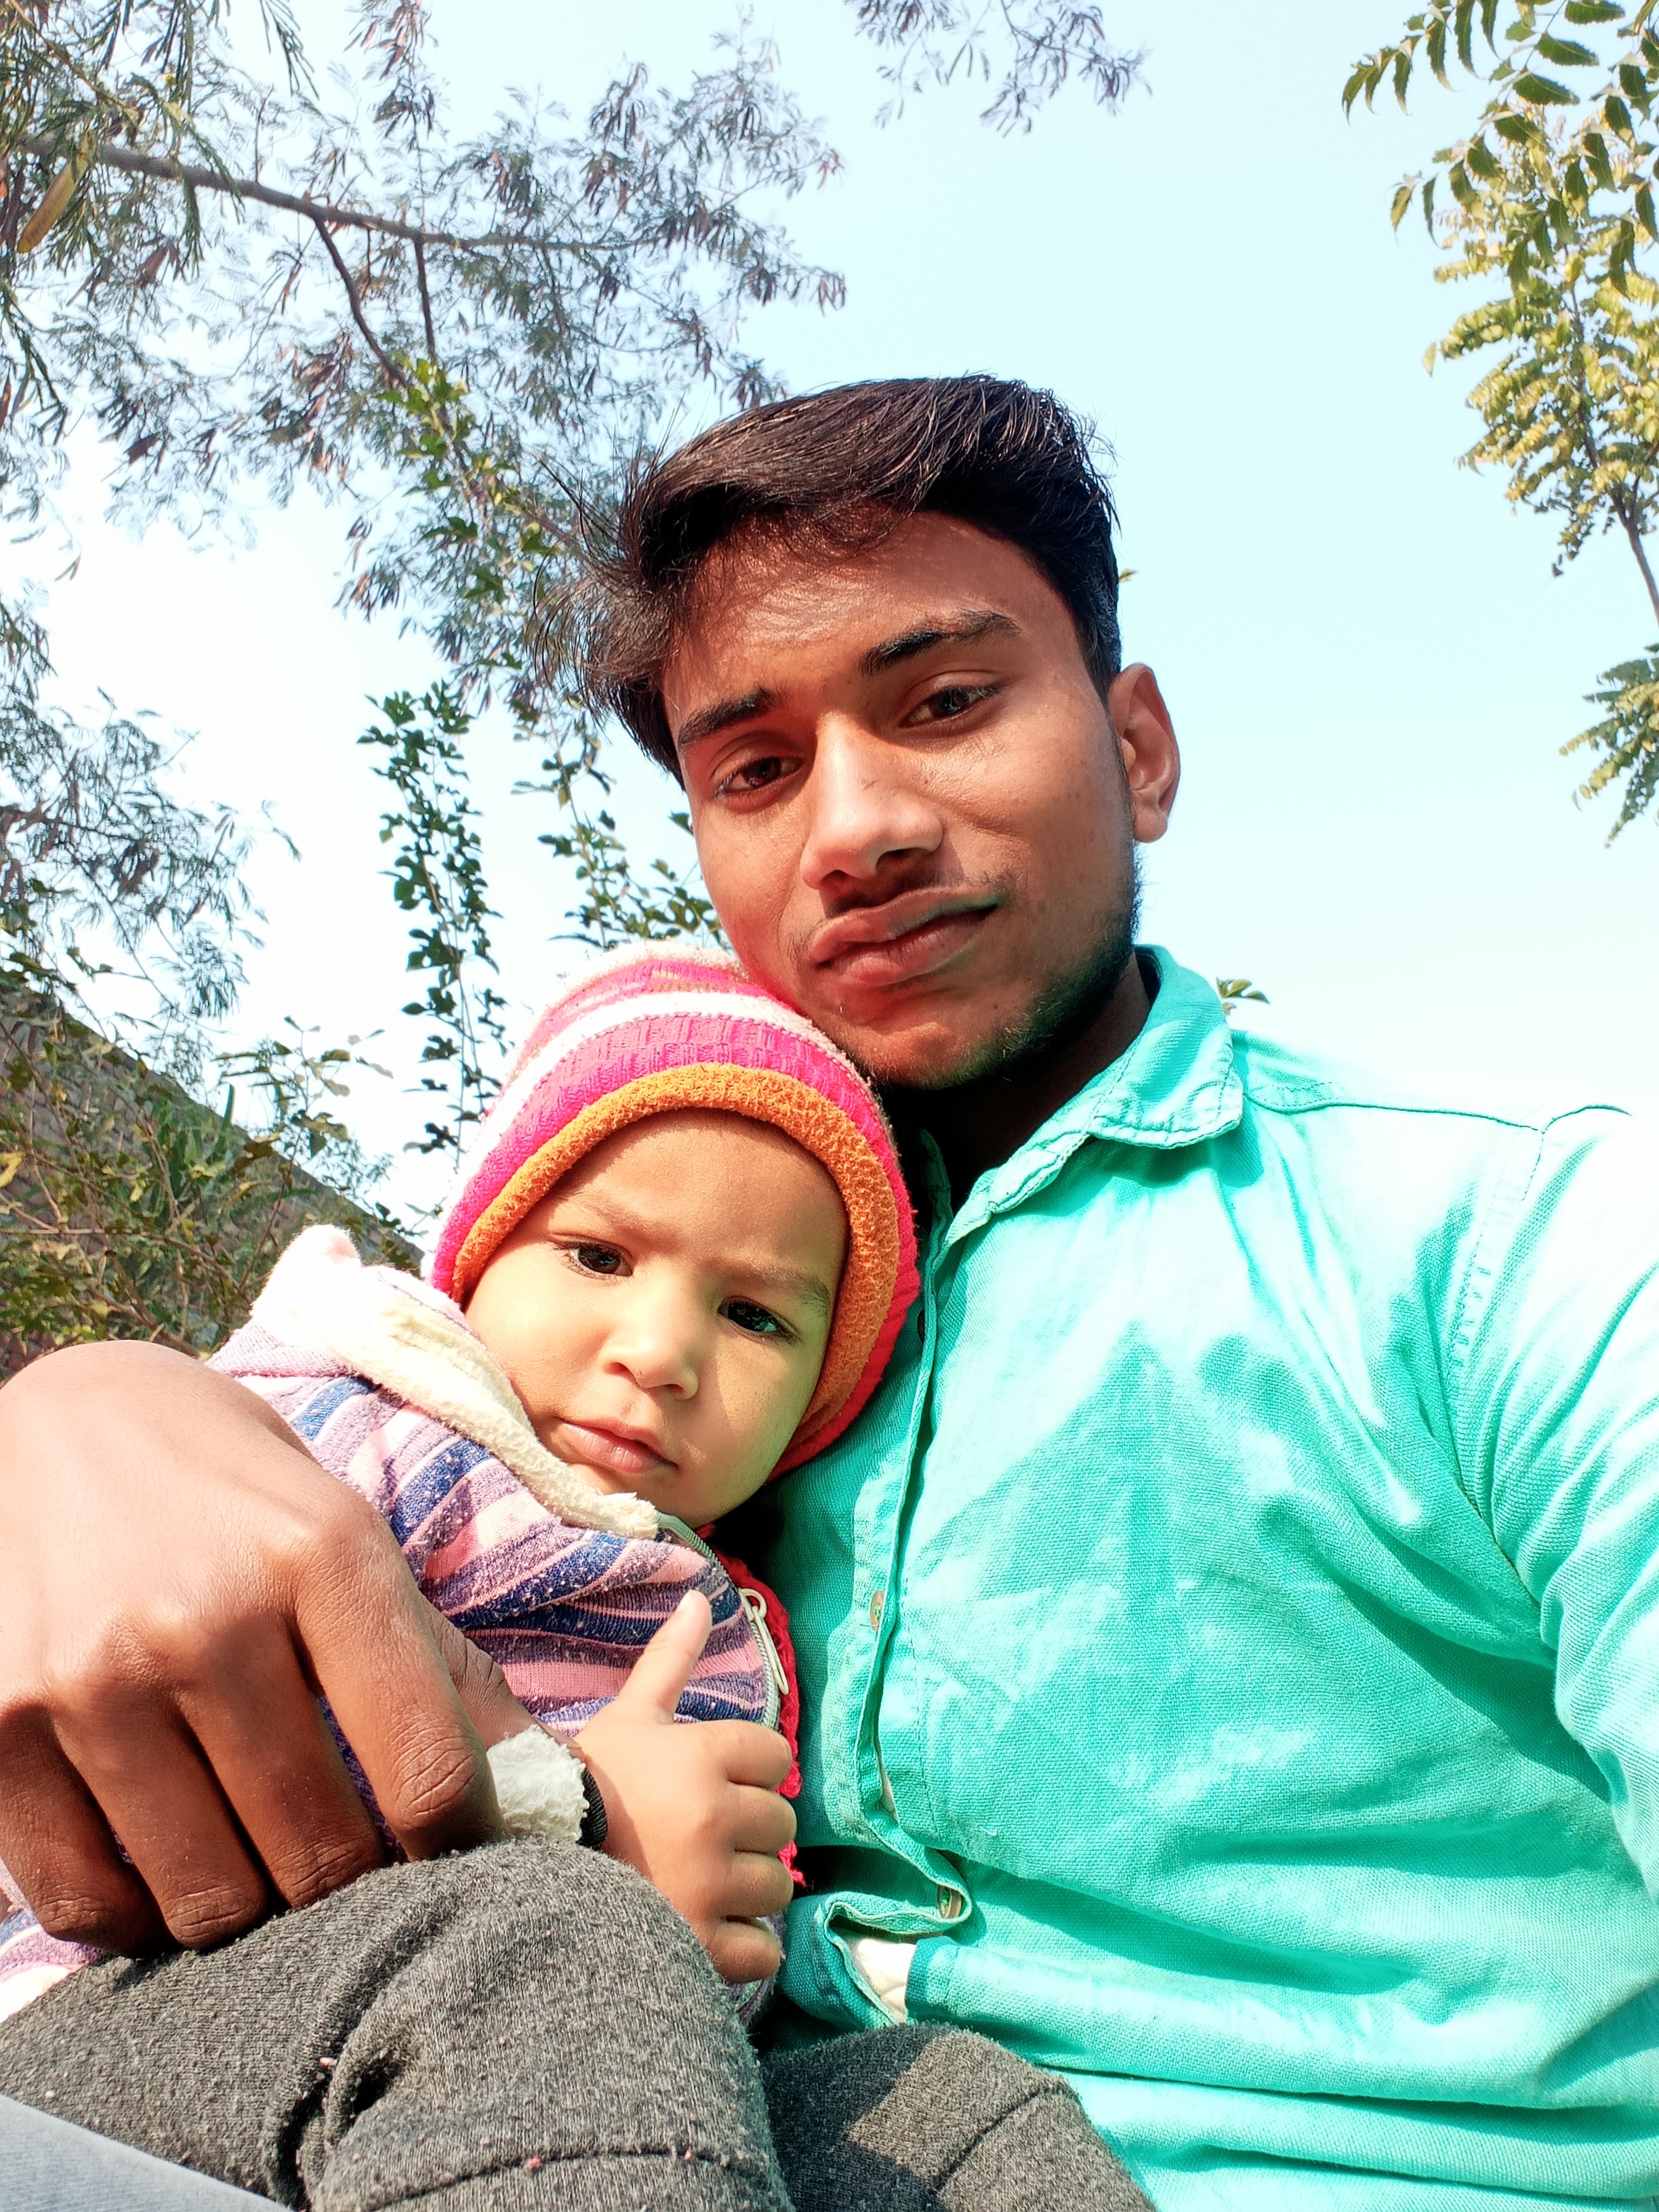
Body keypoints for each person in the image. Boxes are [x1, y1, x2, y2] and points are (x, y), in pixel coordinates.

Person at [2, 373, 1657, 2211]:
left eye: (946, 702)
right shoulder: (649, 1300)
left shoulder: (1517, 1251)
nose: (854, 827)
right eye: (756, 770)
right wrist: (85, 1407)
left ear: (1139, 749)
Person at [0, 940, 1146, 2211]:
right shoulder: (377, 1426)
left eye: (756, 1317)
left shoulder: (719, 1594)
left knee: (948, 2109)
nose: (661, 1353)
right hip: (139, 2006)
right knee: (561, 1940)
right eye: (599, 1257)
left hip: (585, 2087)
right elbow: (185, 1734)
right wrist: (582, 1816)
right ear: (480, 1258)